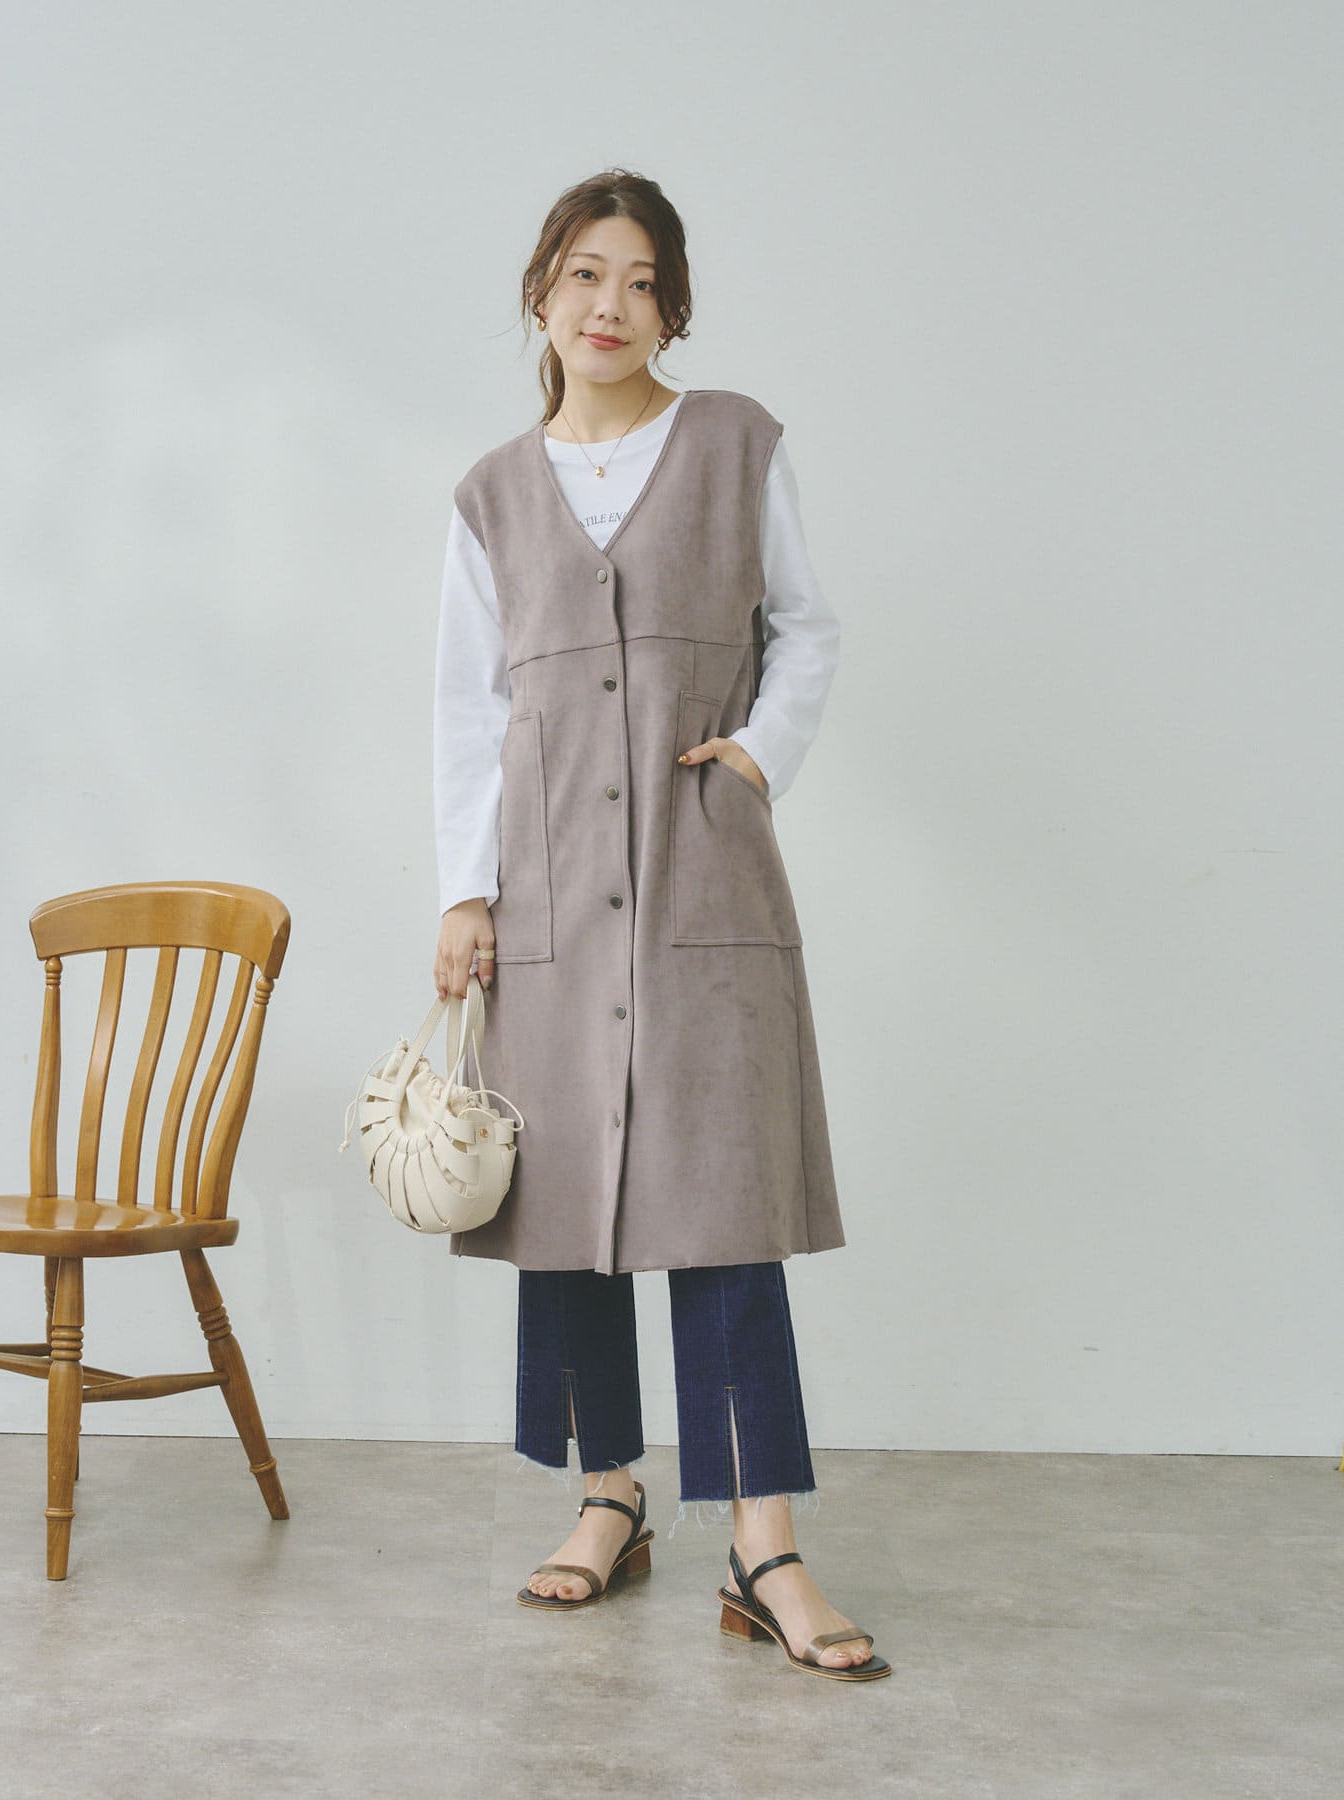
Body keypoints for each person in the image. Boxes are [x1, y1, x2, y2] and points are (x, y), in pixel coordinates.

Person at [430, 168, 890, 1682]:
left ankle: (766, 1548)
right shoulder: (491, 493)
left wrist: (756, 755)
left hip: (704, 877)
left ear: (672, 307)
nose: (609, 305)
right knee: (564, 1211)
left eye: (639, 281)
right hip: (549, 883)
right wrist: (466, 888)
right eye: (583, 274)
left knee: (724, 1206)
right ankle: (608, 1496)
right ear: (540, 294)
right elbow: (468, 709)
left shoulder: (737, 442)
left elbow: (806, 625)